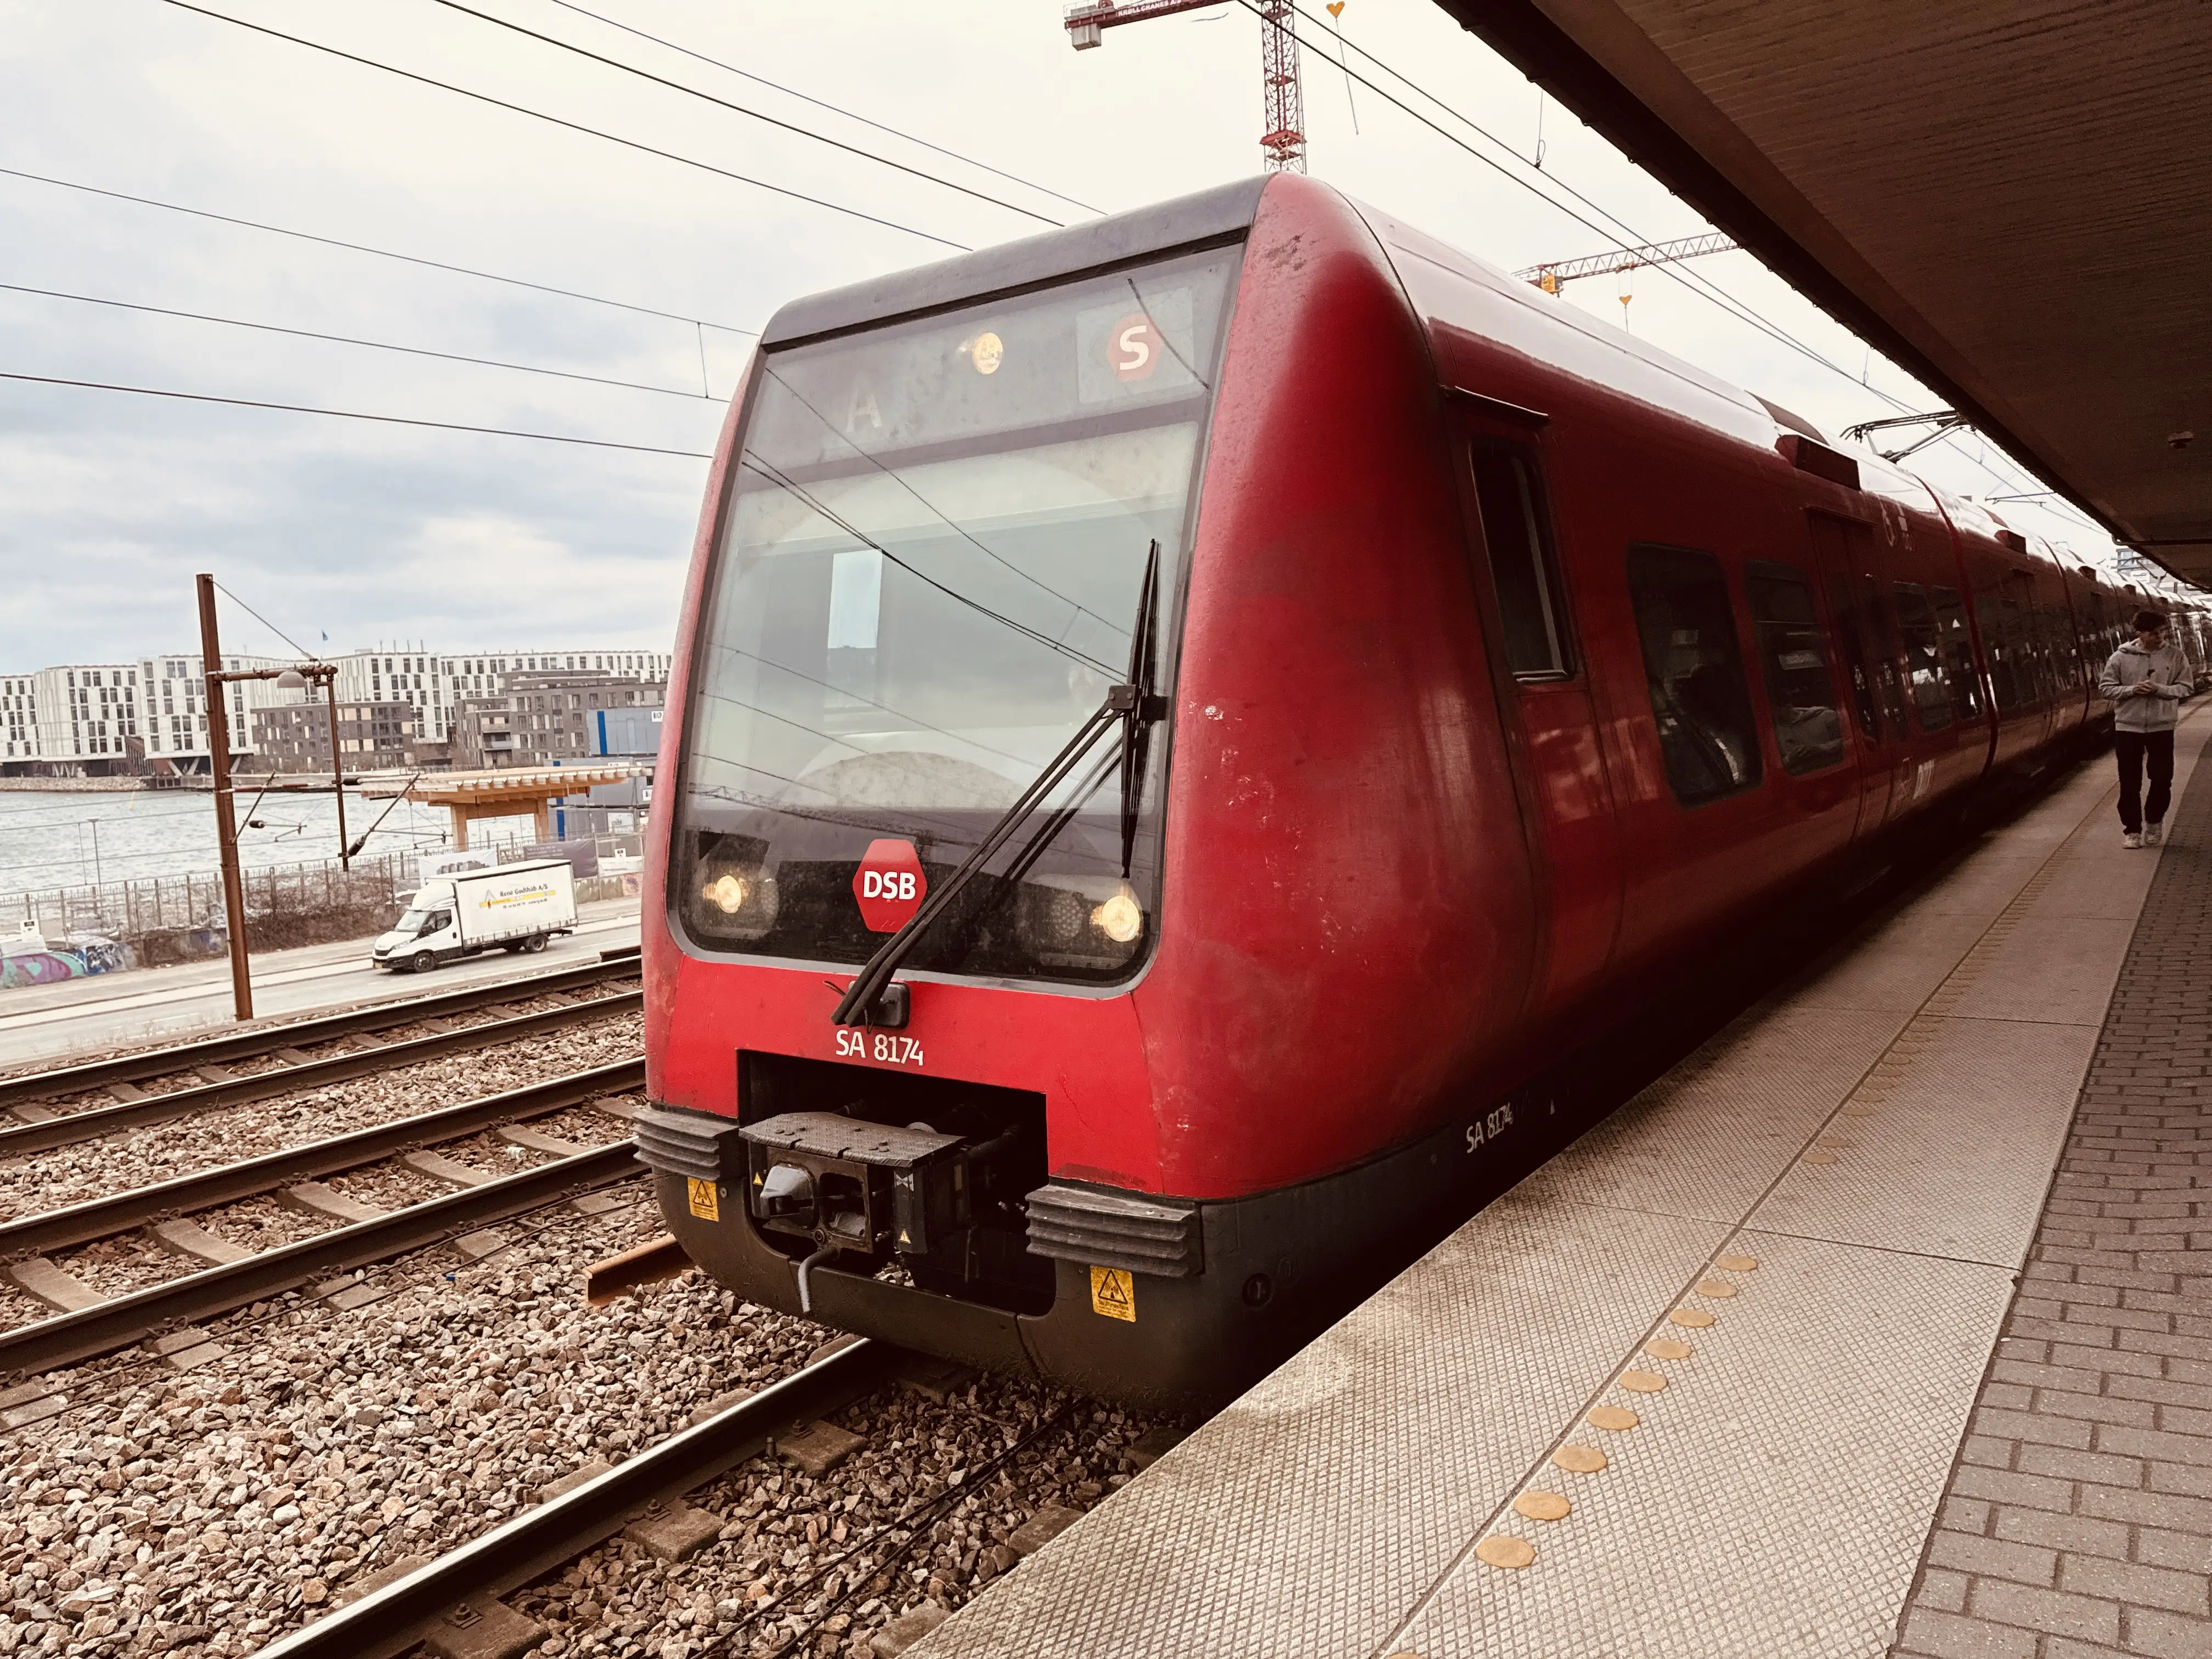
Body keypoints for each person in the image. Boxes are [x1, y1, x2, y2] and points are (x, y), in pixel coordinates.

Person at [2098, 608, 2192, 848]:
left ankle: (2154, 820)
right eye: (2154, 633)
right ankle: (2132, 831)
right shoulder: (2120, 657)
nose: (2160, 637)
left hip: (2162, 726)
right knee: (2130, 781)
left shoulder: (2175, 656)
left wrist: (2160, 690)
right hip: (2128, 728)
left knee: (2162, 779)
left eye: (2162, 632)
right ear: (2139, 633)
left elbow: (2186, 687)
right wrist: (2131, 690)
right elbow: (2105, 689)